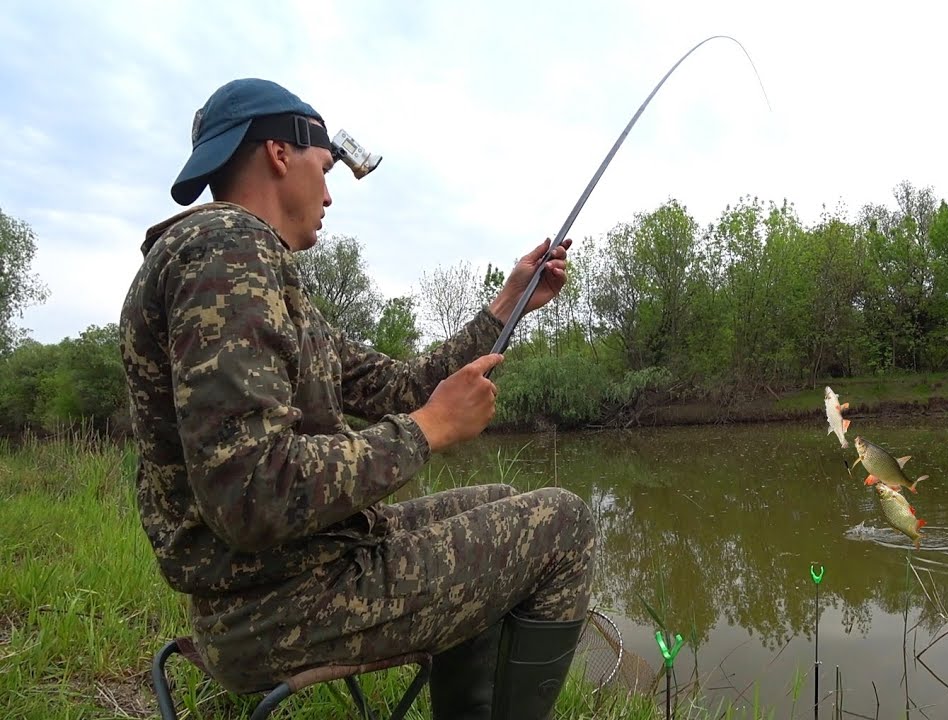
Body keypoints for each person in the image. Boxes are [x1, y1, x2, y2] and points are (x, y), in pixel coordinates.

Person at [118, 77, 597, 720]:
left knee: (504, 501)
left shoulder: (256, 271)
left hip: (294, 570)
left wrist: (508, 303)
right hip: (277, 606)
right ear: (279, 154)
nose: (329, 193)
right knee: (565, 525)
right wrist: (425, 430)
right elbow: (252, 492)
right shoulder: (227, 252)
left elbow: (400, 386)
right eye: (324, 168)